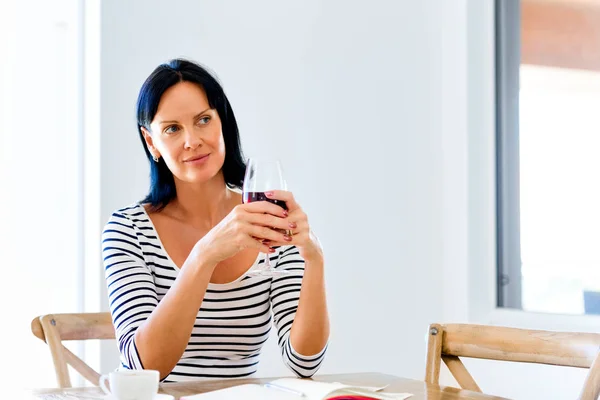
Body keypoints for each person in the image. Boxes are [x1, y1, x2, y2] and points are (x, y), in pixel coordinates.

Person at [101, 59, 329, 382]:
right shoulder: (128, 231)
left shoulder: (267, 219)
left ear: (223, 122)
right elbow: (144, 368)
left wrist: (314, 257)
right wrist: (205, 253)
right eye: (172, 129)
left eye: (203, 120)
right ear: (151, 142)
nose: (192, 140)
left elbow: (304, 362)